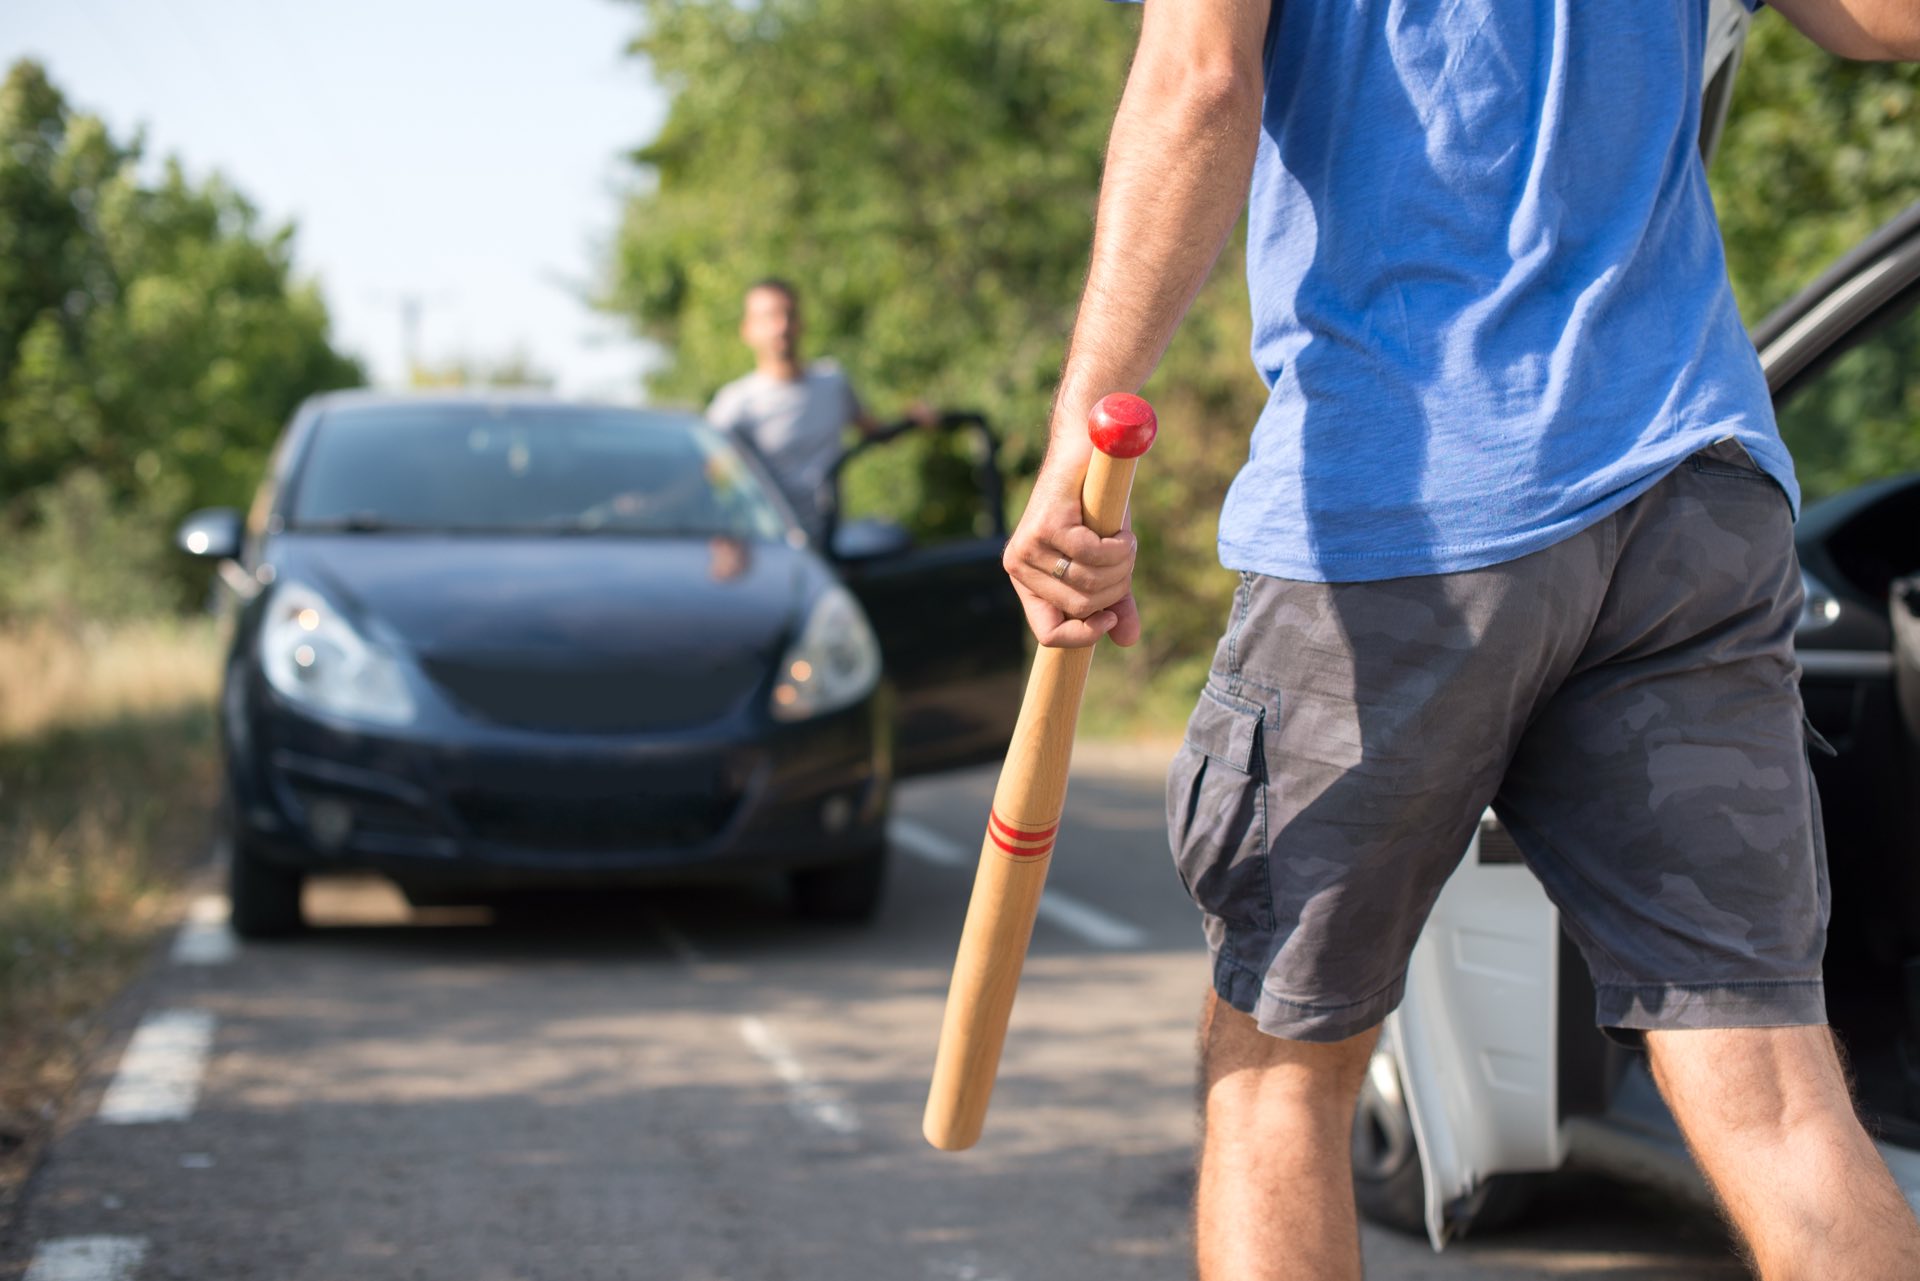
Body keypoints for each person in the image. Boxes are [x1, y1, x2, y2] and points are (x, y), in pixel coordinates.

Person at [999, 2, 1920, 1278]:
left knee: (1279, 1072)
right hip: (1690, 487)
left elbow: (1199, 84)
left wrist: (1075, 447)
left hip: (1409, 500)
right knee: (1773, 1088)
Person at [707, 278, 922, 539]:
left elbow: (877, 433)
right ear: (748, 330)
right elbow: (711, 482)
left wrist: (913, 420)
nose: (781, 326)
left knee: (893, 537)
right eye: (769, 317)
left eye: (789, 314)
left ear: (801, 322)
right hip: (772, 543)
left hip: (833, 538)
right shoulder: (734, 404)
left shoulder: (832, 382)